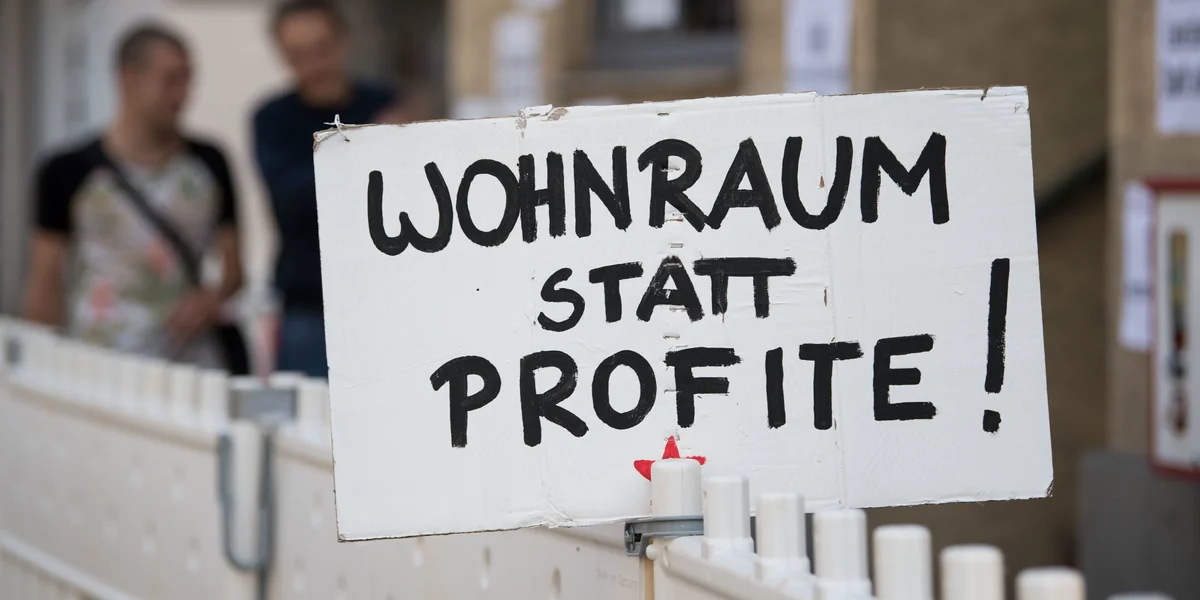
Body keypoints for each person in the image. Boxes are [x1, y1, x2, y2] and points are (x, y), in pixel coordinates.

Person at [25, 23, 244, 370]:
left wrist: (209, 300)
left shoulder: (209, 162)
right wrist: (39, 360)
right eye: (169, 80)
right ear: (128, 79)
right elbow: (46, 277)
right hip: (101, 362)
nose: (182, 94)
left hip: (192, 365)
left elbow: (234, 267)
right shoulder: (67, 170)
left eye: (187, 80)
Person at [254, 0, 406, 377]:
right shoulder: (273, 119)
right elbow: (294, 199)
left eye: (321, 49)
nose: (314, 64)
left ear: (343, 41)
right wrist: (371, 144)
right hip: (309, 304)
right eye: (298, 54)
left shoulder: (382, 101)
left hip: (387, 297)